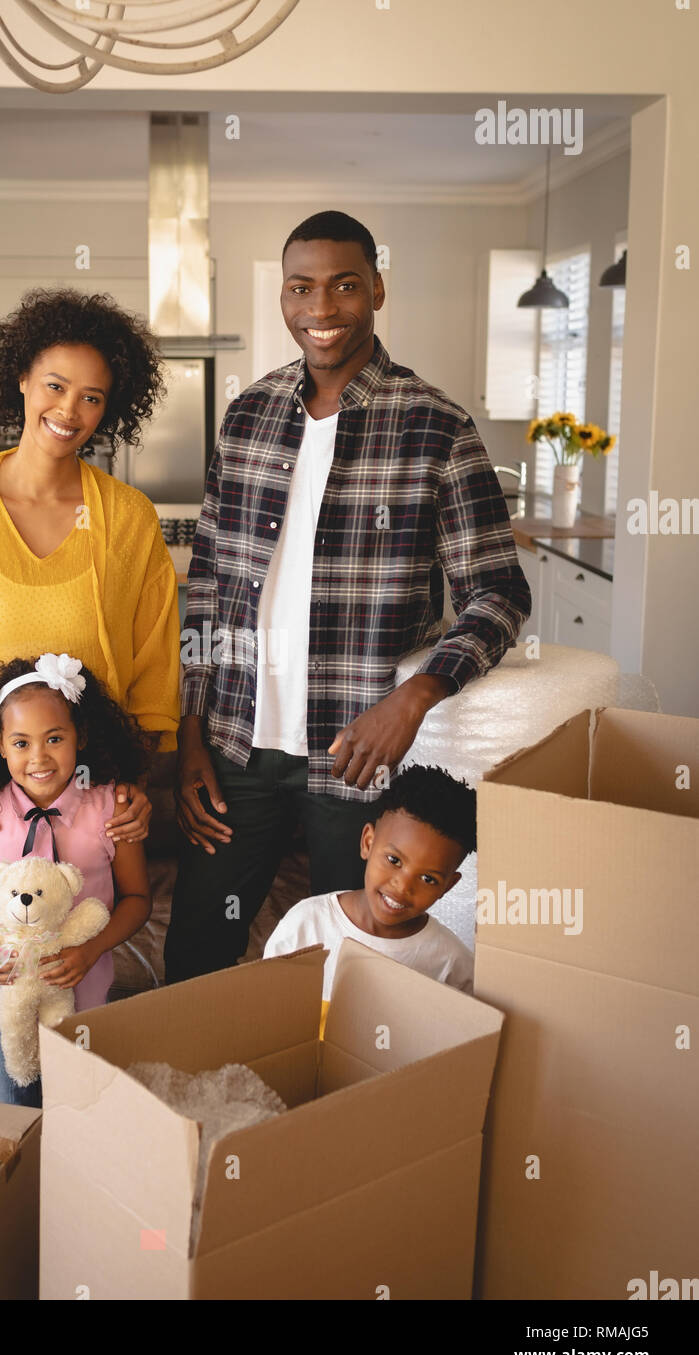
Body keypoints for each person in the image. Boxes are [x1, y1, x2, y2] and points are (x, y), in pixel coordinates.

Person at [165, 209, 531, 984]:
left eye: (343, 286)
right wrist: (190, 733)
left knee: (355, 970)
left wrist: (416, 697)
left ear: (376, 291)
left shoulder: (436, 426)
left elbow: (497, 592)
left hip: (355, 758)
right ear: (283, 297)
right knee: (197, 952)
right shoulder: (248, 416)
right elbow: (208, 590)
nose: (321, 309)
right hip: (237, 745)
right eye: (301, 288)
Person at [0, 288, 179, 1095]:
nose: (70, 409)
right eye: (55, 385)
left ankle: (47, 1187)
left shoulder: (126, 520)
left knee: (66, 1003)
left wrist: (135, 789)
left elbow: (155, 669)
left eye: (94, 397)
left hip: (91, 810)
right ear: (21, 379)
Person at [0, 653, 152, 1105]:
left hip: (83, 1005)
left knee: (79, 1117)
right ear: (0, 744)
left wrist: (91, 948)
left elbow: (137, 898)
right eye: (21, 743)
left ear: (79, 736)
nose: (38, 757)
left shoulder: (111, 808)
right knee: (5, 1120)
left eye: (54, 738)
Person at [263, 765, 475, 1035]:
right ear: (367, 842)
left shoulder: (451, 964)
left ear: (449, 885)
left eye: (428, 879)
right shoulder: (306, 925)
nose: (402, 886)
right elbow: (265, 1015)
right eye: (394, 860)